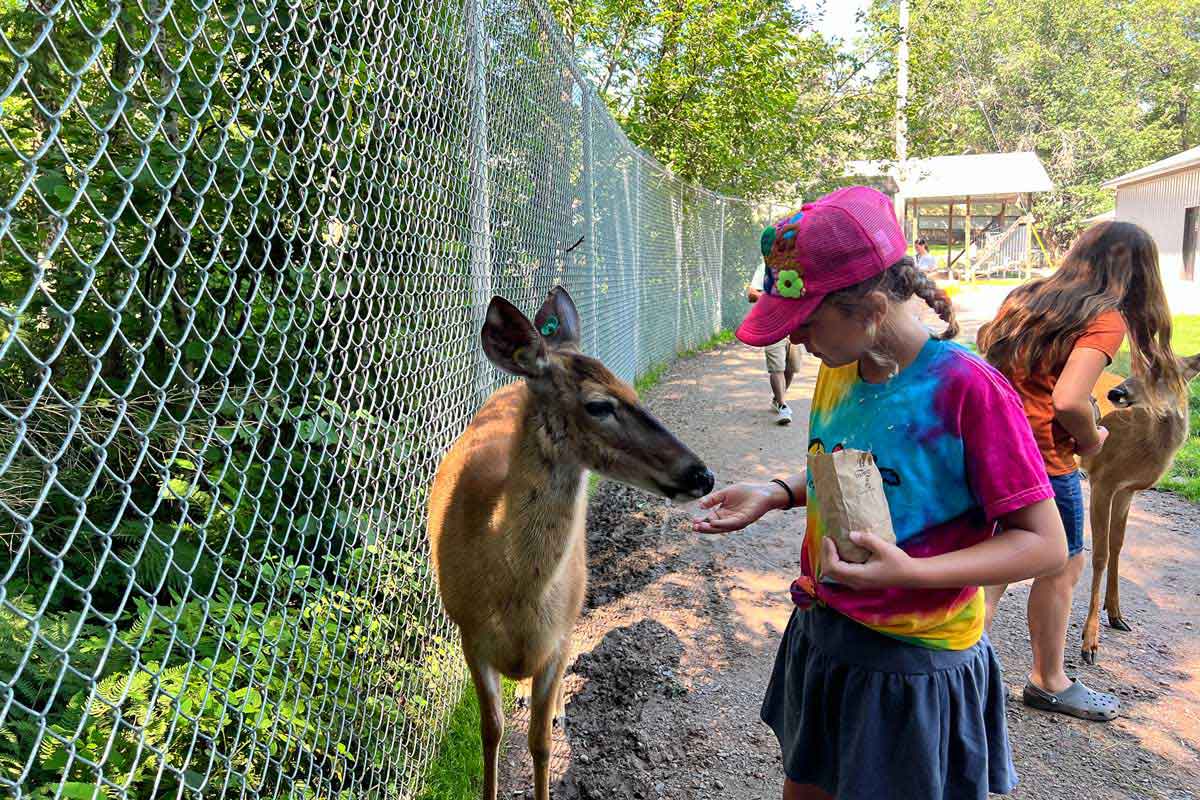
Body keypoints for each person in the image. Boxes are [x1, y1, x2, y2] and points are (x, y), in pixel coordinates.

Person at [692, 186, 1067, 800]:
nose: (798, 342)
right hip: (826, 631)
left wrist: (912, 574)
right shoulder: (842, 366)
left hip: (911, 661)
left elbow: (1045, 545)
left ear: (868, 307)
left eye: (806, 323)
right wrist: (781, 490)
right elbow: (856, 470)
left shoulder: (968, 391)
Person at [976, 221, 1183, 722]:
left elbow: (994, 362)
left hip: (991, 447)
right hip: (1044, 461)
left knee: (993, 565)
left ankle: (950, 663)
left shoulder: (1028, 296)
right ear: (1136, 273)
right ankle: (1048, 681)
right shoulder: (1103, 318)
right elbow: (1069, 400)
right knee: (1061, 566)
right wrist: (1092, 437)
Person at [749, 261, 801, 424]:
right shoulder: (765, 266)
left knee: (791, 367)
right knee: (777, 367)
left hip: (793, 325)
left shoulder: (799, 264)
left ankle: (778, 399)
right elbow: (751, 294)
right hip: (772, 324)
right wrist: (773, 298)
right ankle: (783, 405)